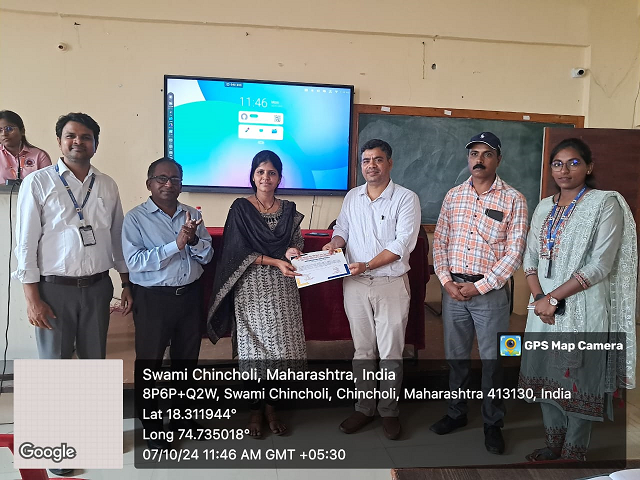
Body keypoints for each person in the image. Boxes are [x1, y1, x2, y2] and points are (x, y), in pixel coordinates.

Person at [12, 112, 132, 477]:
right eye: (70, 136)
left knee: (95, 366)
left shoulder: (107, 185)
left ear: (96, 143)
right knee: (55, 370)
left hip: (97, 288)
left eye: (86, 137)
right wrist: (32, 298)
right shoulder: (38, 182)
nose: (78, 142)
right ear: (59, 141)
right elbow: (25, 243)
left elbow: (116, 236)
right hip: (53, 290)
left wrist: (125, 281)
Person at [518, 138, 637, 462]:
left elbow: (601, 264)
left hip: (583, 304)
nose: (565, 170)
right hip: (542, 309)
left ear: (589, 167)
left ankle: (574, 453)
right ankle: (553, 443)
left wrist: (553, 298)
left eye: (573, 163)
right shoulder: (544, 206)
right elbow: (531, 257)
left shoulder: (605, 203)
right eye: (558, 164)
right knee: (545, 375)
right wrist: (540, 298)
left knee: (579, 379)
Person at [431, 132, 528, 454]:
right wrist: (446, 282)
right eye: (474, 153)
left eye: (487, 154)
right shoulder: (453, 195)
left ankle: (493, 423)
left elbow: (515, 252)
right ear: (468, 158)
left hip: (491, 293)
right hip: (454, 290)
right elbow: (440, 241)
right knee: (456, 358)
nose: (479, 159)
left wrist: (480, 286)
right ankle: (456, 413)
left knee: (494, 361)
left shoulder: (514, 199)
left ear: (498, 159)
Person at [322, 139, 421, 441]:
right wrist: (334, 243)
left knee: (390, 352)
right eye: (366, 160)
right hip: (354, 284)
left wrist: (366, 265)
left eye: (378, 159)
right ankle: (364, 408)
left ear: (390, 163)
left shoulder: (406, 198)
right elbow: (342, 229)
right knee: (363, 351)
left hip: (390, 284)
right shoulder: (353, 196)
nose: (371, 165)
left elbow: (402, 245)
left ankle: (389, 411)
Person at [207, 150, 306, 438]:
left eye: (272, 173)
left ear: (279, 178)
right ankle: (254, 410)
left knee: (280, 353)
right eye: (261, 172)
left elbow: (295, 243)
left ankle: (272, 408)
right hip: (251, 289)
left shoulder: (289, 209)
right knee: (253, 354)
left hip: (284, 289)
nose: (266, 177)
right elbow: (235, 250)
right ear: (252, 175)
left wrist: (292, 251)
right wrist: (275, 260)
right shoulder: (241, 208)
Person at [122, 158, 213, 449]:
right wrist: (177, 244)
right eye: (162, 178)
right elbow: (135, 262)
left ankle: (181, 420)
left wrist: (193, 240)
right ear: (149, 183)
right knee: (150, 365)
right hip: (153, 299)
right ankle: (151, 427)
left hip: (189, 296)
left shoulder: (191, 214)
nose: (168, 184)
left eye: (175, 179)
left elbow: (207, 255)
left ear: (181, 184)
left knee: (186, 363)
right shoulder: (135, 218)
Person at [0, 110, 51, 183]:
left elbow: (48, 183)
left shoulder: (39, 156)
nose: (4, 134)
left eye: (9, 129)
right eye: (0, 130)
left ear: (22, 131)